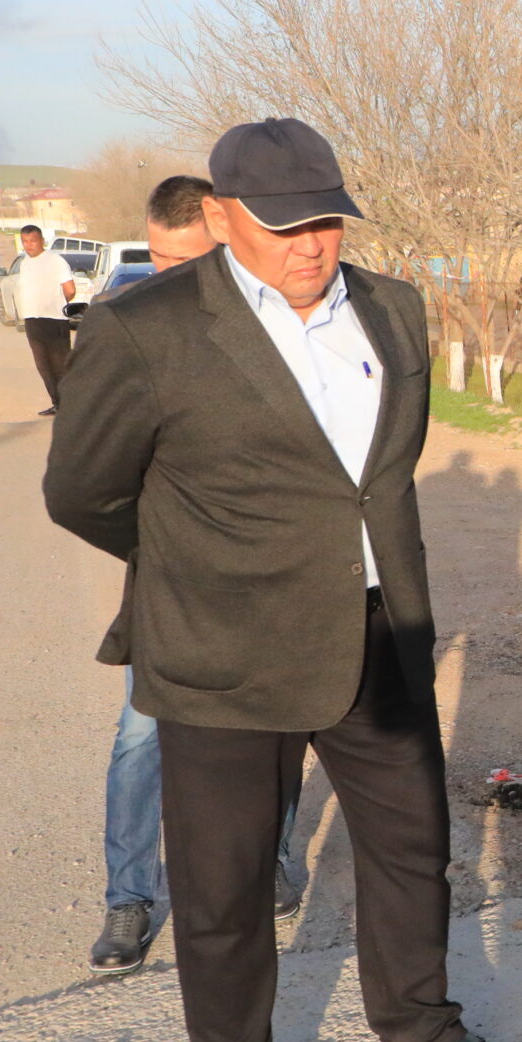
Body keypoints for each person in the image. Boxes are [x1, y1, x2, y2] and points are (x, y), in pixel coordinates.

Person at [46, 118, 522, 1042]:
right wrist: (195, 562)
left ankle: (418, 1034)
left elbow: (378, 478)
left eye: (326, 220)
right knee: (223, 889)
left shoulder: (392, 309)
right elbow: (81, 491)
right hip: (222, 649)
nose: (312, 244)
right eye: (283, 226)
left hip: (375, 634)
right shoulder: (148, 329)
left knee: (411, 847)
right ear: (224, 217)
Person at [87, 175, 312, 975]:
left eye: (185, 261)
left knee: (275, 727)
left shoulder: (283, 325)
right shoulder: (126, 327)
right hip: (170, 581)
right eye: (157, 256)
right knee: (141, 738)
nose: (167, 275)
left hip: (272, 574)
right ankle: (130, 895)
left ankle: (271, 857)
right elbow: (93, 474)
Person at [12, 223, 78, 415]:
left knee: (61, 365)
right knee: (44, 366)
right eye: (25, 241)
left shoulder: (55, 261)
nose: (29, 245)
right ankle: (58, 404)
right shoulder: (25, 263)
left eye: (32, 241)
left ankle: (73, 405)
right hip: (33, 320)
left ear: (42, 240)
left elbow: (70, 290)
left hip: (54, 319)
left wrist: (56, 303)